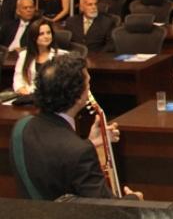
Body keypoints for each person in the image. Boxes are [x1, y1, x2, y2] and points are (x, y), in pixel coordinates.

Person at [11, 55, 143, 200]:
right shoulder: (79, 152)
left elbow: (52, 162)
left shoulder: (22, 126)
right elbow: (108, 208)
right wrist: (134, 199)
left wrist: (90, 143)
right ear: (79, 97)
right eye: (88, 84)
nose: (89, 89)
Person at [13, 20, 68, 95]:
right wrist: (26, 94)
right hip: (28, 96)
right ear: (33, 37)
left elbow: (64, 84)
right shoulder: (24, 55)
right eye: (41, 34)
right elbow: (18, 81)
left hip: (52, 97)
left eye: (48, 33)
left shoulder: (62, 56)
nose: (46, 36)